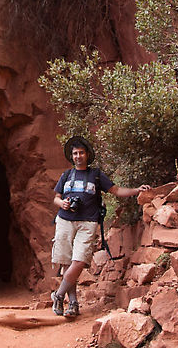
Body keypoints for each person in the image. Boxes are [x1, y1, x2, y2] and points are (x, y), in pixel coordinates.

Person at [51, 135, 150, 317]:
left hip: (88, 222)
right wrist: (62, 204)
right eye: (75, 153)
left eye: (81, 152)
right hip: (65, 220)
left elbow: (116, 190)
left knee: (79, 261)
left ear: (87, 155)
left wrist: (137, 190)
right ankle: (72, 304)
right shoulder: (66, 175)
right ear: (71, 156)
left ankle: (58, 295)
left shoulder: (96, 175)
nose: (78, 156)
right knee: (66, 262)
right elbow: (55, 198)